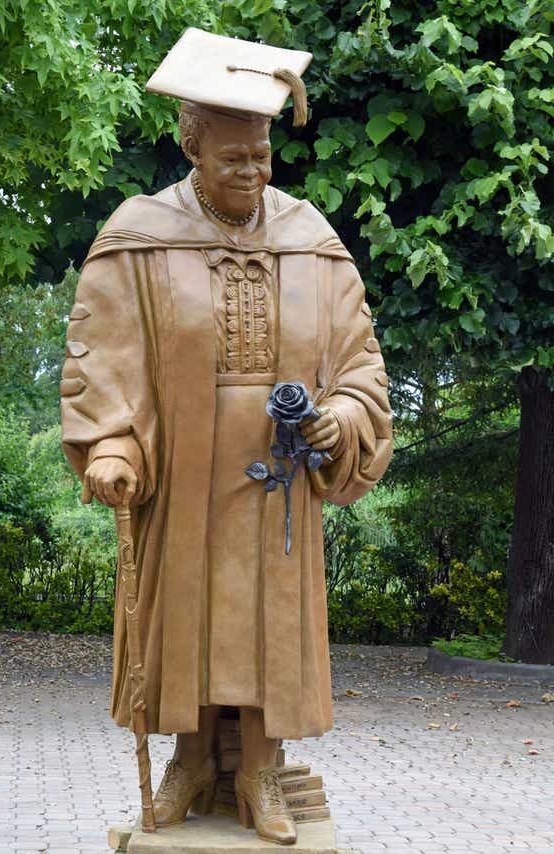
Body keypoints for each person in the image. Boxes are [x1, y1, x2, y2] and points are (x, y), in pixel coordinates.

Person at [60, 28, 393, 846]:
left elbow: (361, 367)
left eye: (262, 156)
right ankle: (189, 760)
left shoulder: (310, 239)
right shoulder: (140, 235)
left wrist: (339, 418)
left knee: (264, 620)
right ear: (192, 151)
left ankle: (259, 770)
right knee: (188, 616)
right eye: (233, 158)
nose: (253, 172)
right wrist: (113, 443)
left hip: (279, 479)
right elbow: (106, 353)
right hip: (184, 473)